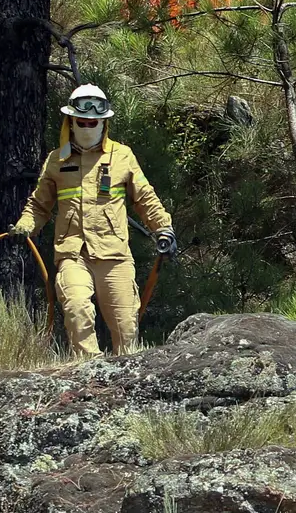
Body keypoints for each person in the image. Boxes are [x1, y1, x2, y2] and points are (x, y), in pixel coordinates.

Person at [10, 83, 175, 356]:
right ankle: (88, 370)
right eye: (82, 122)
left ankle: (125, 377)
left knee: (126, 329)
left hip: (114, 255)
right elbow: (39, 205)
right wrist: (25, 225)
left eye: (93, 122)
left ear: (103, 122)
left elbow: (145, 198)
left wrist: (163, 229)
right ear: (71, 121)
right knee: (76, 308)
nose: (88, 126)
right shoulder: (56, 160)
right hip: (73, 253)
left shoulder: (122, 156)